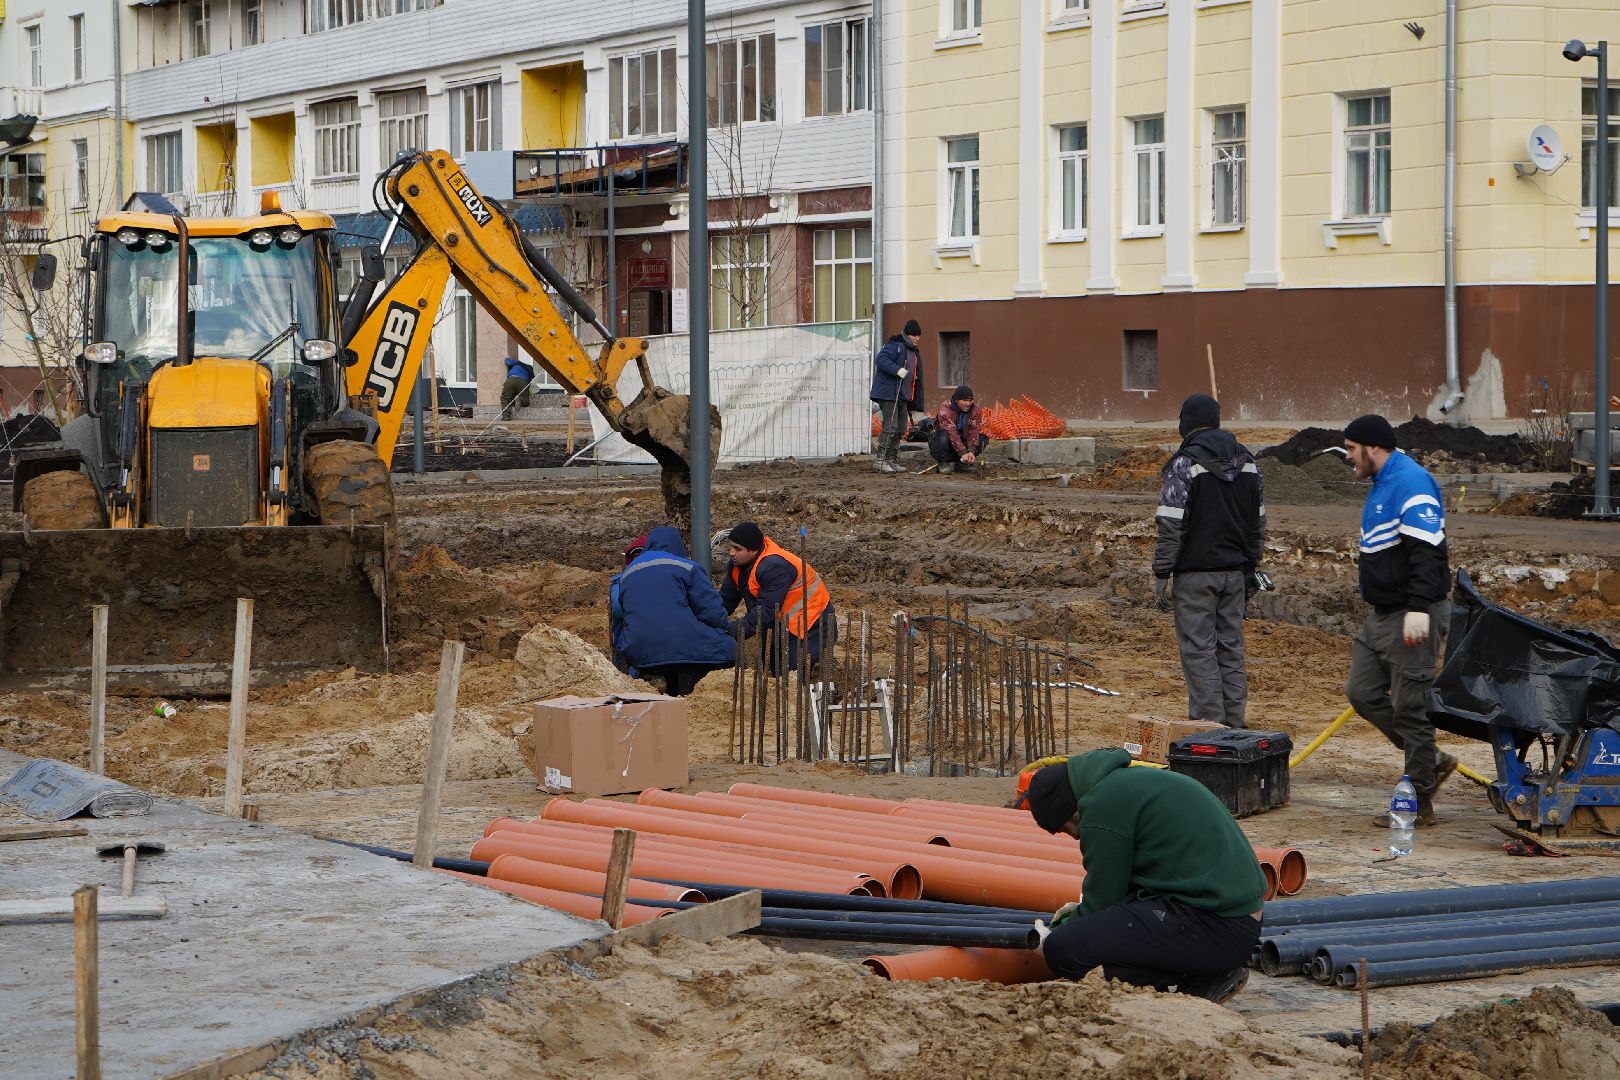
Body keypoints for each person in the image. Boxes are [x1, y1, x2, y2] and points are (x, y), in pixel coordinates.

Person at [1020, 749, 1266, 1003]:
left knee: (1065, 950)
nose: (1075, 836)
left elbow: (1102, 900)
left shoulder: (1101, 804)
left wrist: (1057, 934)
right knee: (1107, 930)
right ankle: (1204, 971)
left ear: (1070, 811)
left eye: (1067, 829)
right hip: (1233, 920)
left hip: (1218, 927)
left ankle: (1205, 973)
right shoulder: (1130, 781)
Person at [1341, 414, 1457, 826]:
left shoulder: (1410, 482)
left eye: (1352, 449)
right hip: (1382, 615)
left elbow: (1428, 554)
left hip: (1412, 613)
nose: (1348, 457)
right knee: (1361, 690)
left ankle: (1419, 799)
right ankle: (1432, 761)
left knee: (1411, 709)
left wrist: (1419, 610)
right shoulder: (1382, 483)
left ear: (1374, 447)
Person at [1152, 394, 1266, 729]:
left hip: (1195, 576)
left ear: (1186, 424)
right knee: (1230, 649)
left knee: (1199, 652)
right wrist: (1250, 568)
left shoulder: (1184, 464)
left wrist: (1162, 572)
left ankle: (1209, 730)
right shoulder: (1248, 462)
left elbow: (1170, 524)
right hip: (1234, 573)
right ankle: (1235, 726)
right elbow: (1258, 523)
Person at [609, 526, 737, 696]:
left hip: (638, 653)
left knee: (673, 653)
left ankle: (671, 690)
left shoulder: (627, 574)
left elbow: (624, 610)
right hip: (682, 650)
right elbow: (713, 614)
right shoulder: (687, 568)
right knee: (732, 647)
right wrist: (723, 630)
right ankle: (703, 694)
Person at [720, 521, 837, 673]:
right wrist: (709, 620)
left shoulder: (773, 567)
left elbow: (764, 614)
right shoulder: (738, 564)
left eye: (737, 548)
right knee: (775, 671)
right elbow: (726, 600)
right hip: (783, 625)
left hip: (813, 626)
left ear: (753, 551)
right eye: (731, 547)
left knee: (789, 677)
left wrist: (729, 631)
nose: (731, 552)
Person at [869, 319, 925, 474]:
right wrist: (897, 370)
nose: (917, 338)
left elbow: (916, 377)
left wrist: (915, 402)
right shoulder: (895, 345)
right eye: (914, 335)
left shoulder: (914, 352)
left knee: (900, 429)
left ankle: (891, 460)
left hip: (903, 395)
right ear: (907, 334)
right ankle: (880, 461)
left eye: (919, 335)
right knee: (890, 427)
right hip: (889, 394)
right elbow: (880, 359)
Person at [930, 385, 987, 474]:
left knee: (983, 438)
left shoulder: (975, 409)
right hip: (945, 445)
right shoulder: (945, 409)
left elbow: (974, 430)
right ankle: (943, 463)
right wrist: (963, 452)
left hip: (963, 442)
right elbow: (952, 433)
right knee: (942, 434)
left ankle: (962, 464)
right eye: (964, 400)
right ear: (956, 400)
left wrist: (971, 451)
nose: (968, 403)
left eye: (970, 400)